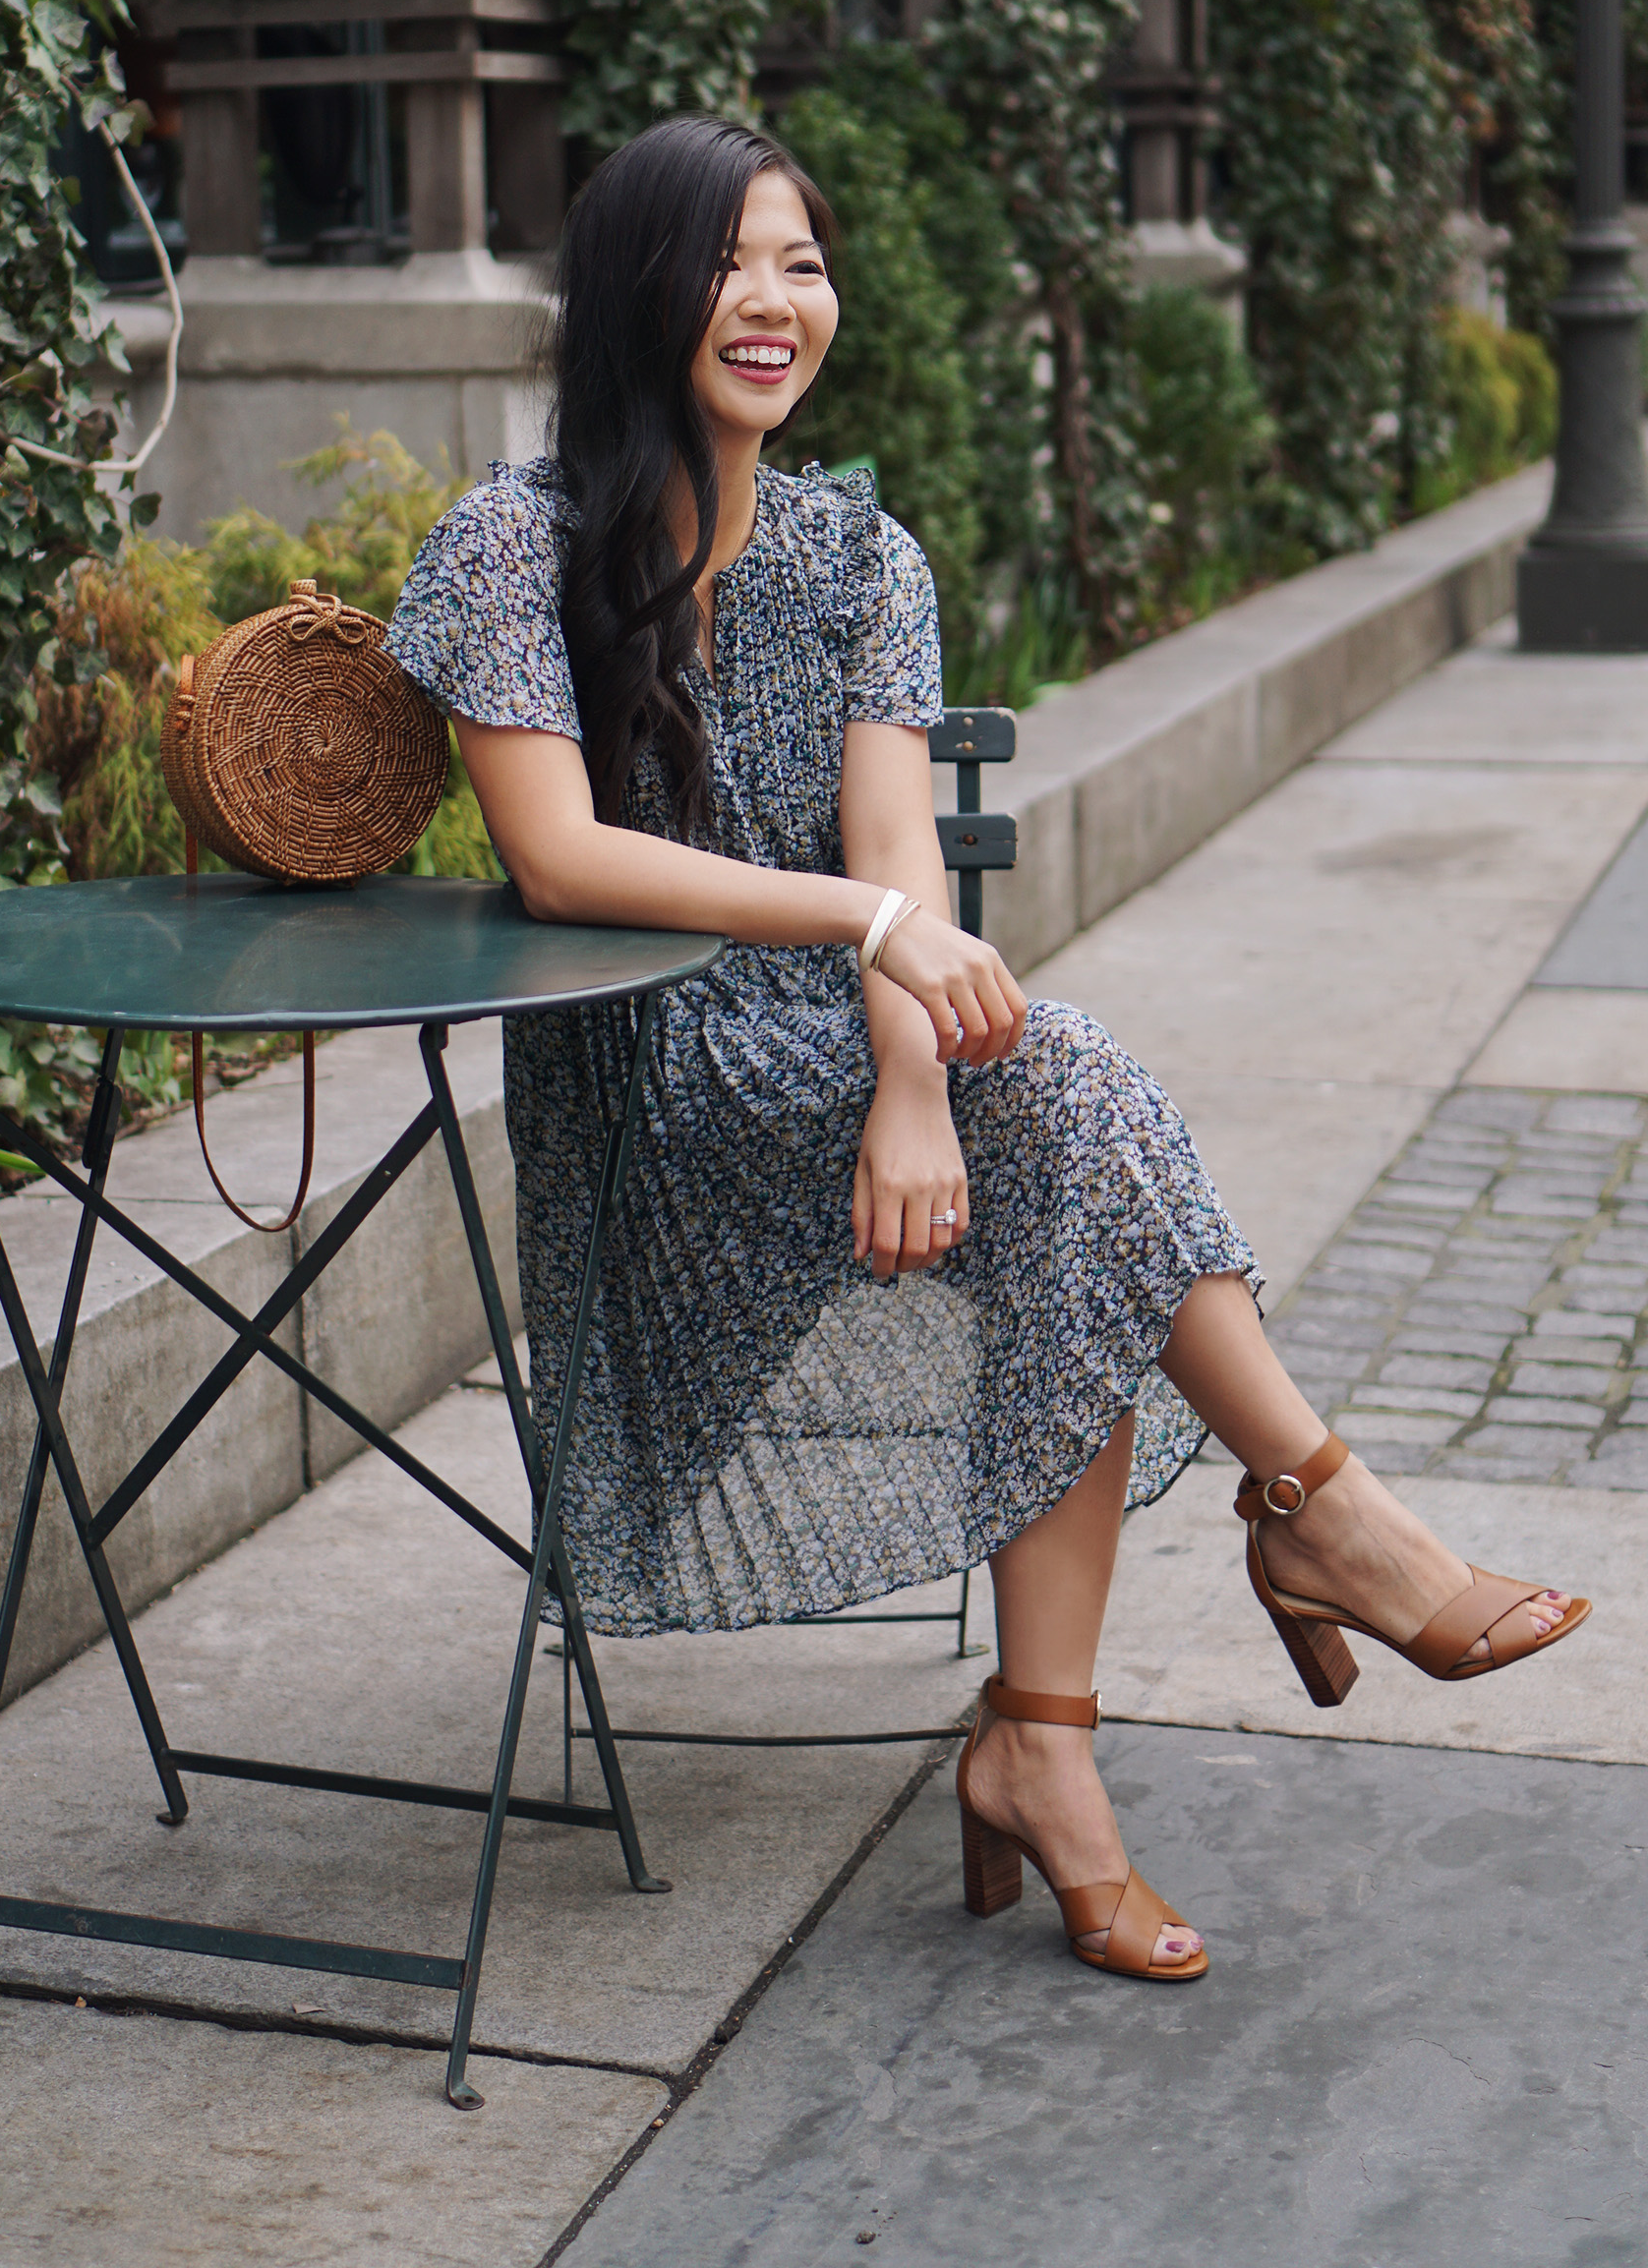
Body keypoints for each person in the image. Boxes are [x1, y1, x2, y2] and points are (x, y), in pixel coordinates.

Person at [384, 114, 1588, 1983]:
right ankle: (1311, 1518)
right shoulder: (506, 544)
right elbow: (563, 861)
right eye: (731, 263)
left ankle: (1057, 1737)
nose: (776, 303)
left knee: (1057, 1143)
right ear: (639, 292)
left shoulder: (865, 553)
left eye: (802, 263)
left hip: (845, 1029)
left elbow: (891, 854)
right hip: (640, 1066)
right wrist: (882, 945)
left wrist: (914, 1078)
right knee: (1082, 1122)